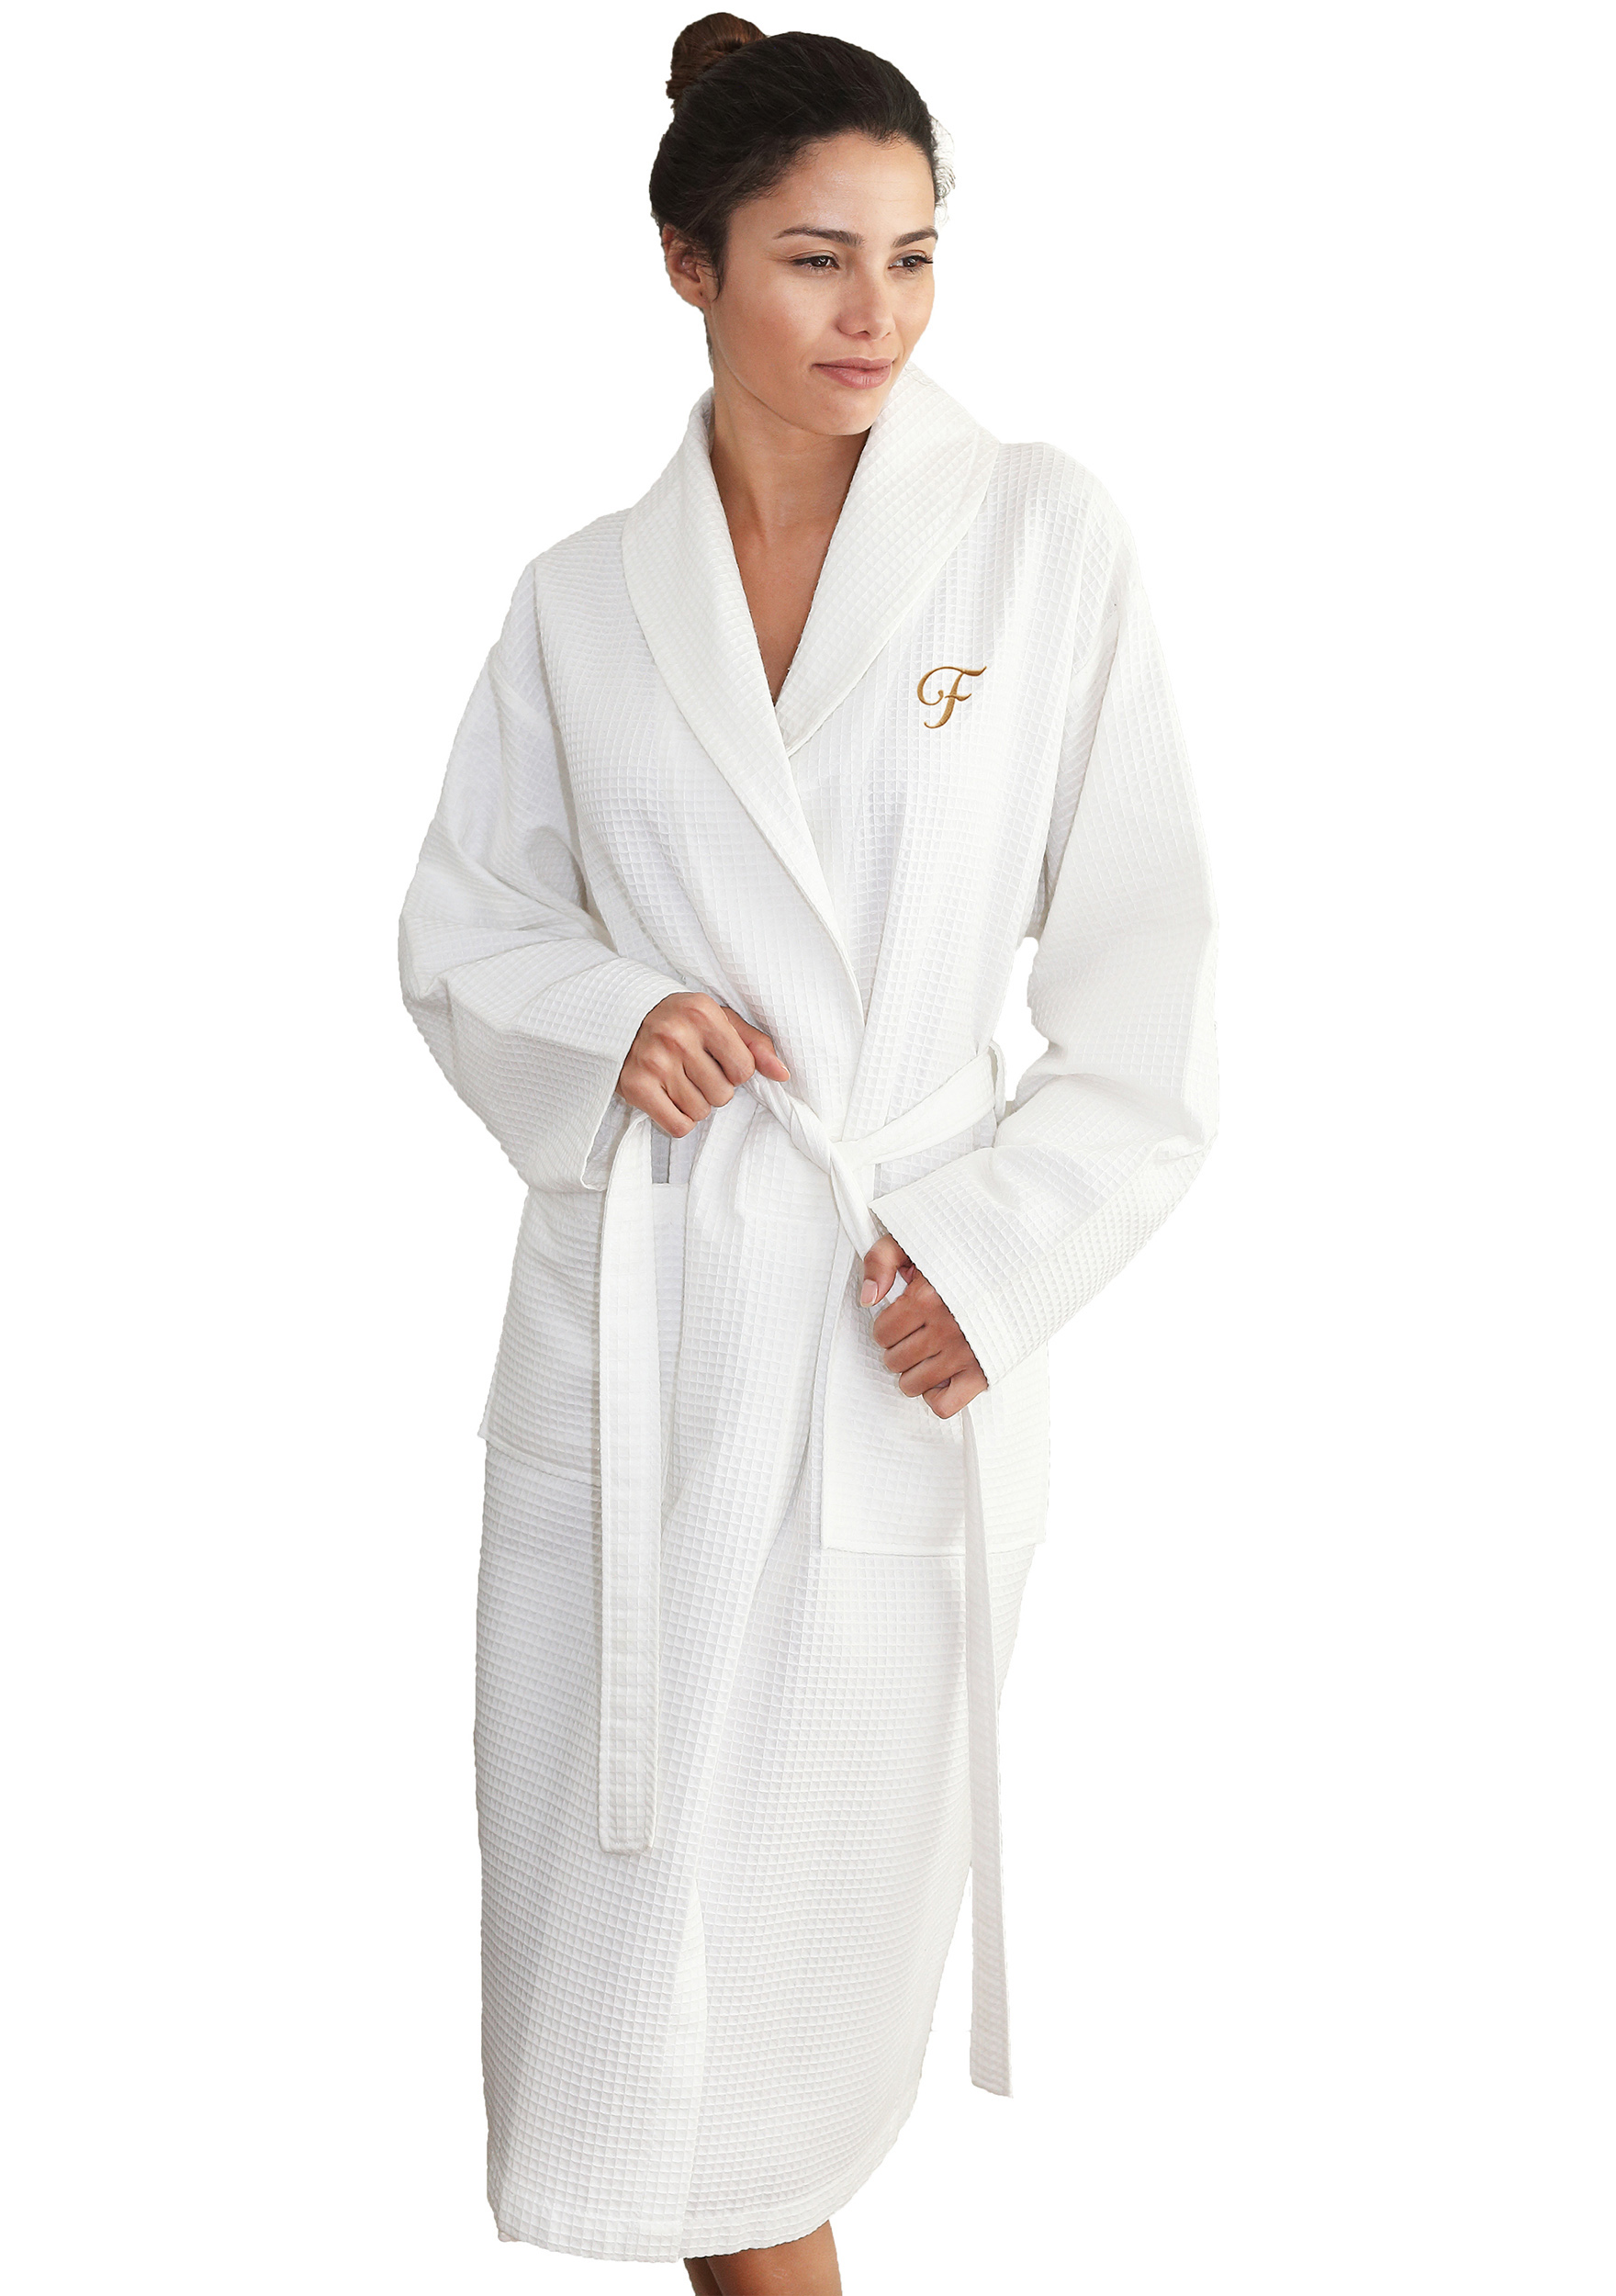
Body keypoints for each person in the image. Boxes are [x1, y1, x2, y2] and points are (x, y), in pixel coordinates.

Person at [397, 17, 1218, 2290]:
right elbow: (465, 926)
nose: (878, 314)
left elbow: (1149, 975)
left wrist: (993, 1254)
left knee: (768, 2015)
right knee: (631, 2000)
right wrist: (614, 1018)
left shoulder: (1039, 538)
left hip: (884, 1328)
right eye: (816, 258)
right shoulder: (582, 596)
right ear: (689, 265)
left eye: (916, 257)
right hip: (643, 1345)